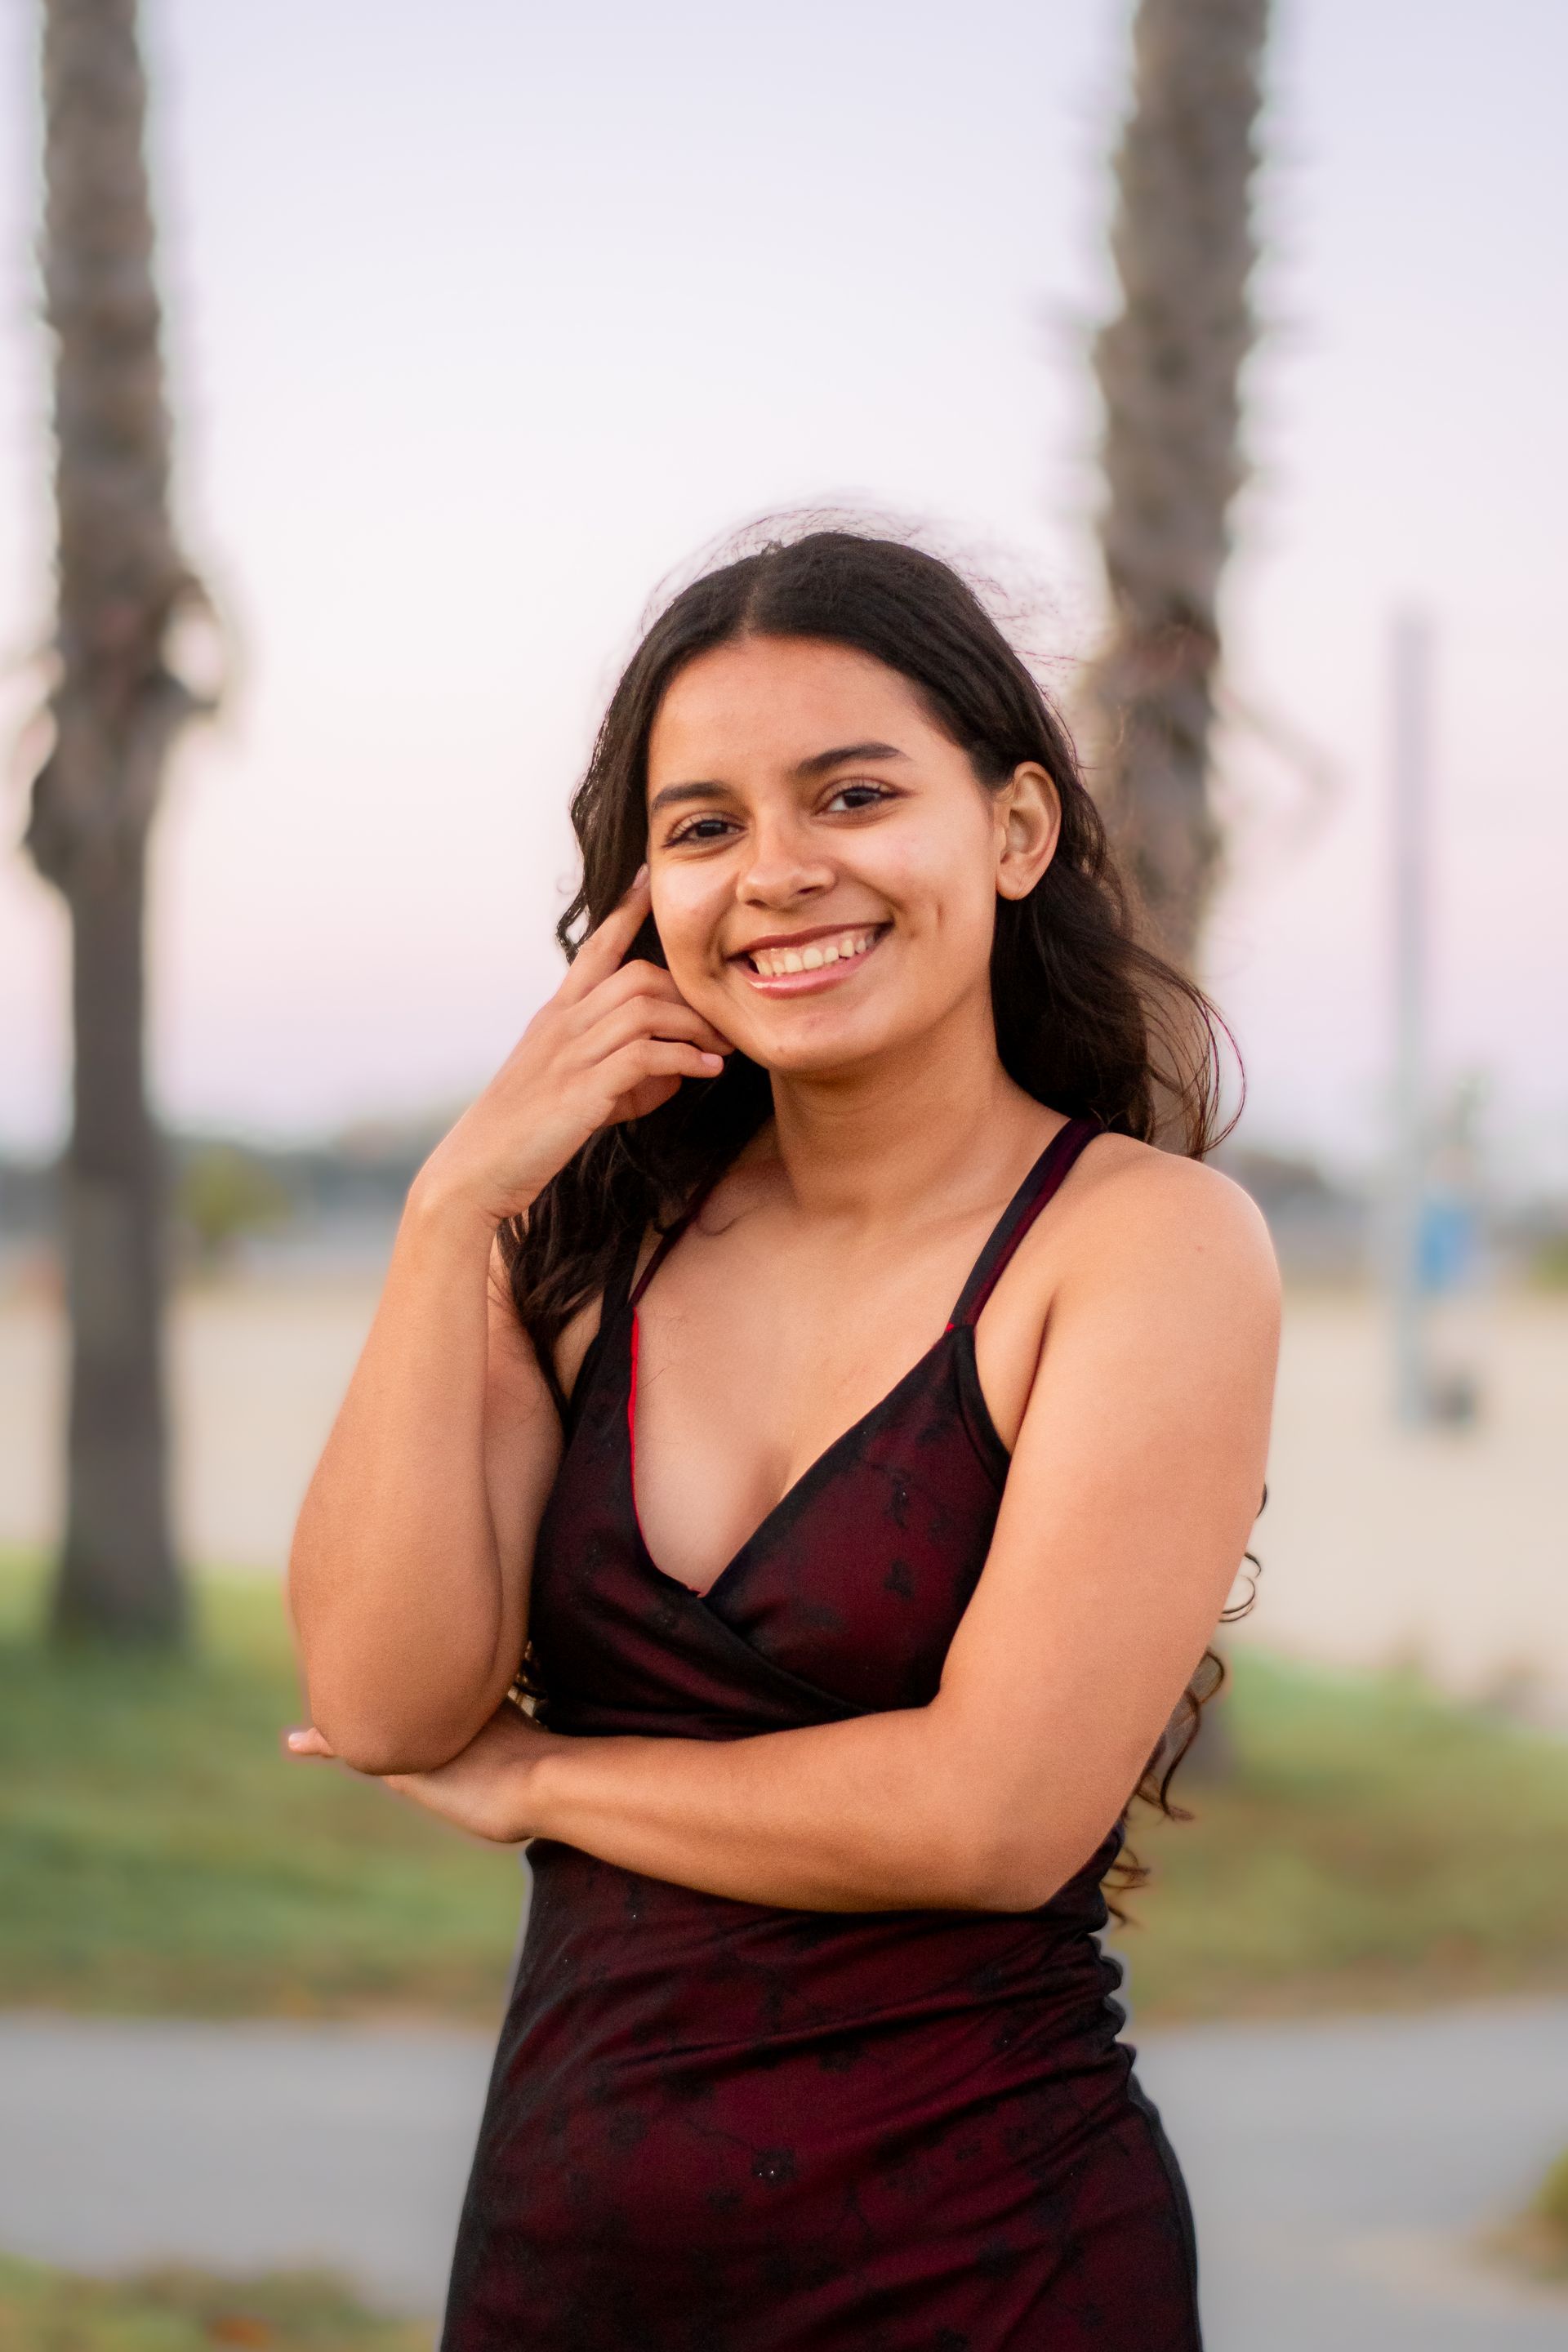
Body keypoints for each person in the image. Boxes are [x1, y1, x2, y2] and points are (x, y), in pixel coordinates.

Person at [285, 528, 1280, 2350]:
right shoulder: (589, 1244)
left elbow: (990, 1815)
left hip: (991, 2269)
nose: (779, 874)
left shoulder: (1140, 1246)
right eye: (704, 825)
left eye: (853, 793)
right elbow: (375, 1700)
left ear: (1016, 831)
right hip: (564, 2262)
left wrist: (542, 1785)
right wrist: (452, 1210)